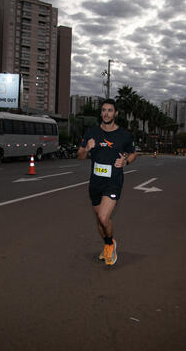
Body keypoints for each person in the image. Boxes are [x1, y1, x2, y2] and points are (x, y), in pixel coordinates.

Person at [77, 99, 137, 266]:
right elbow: (80, 156)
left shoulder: (124, 135)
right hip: (95, 183)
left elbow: (132, 153)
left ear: (115, 113)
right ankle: (106, 244)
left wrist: (126, 161)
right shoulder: (92, 132)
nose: (106, 113)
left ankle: (110, 244)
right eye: (104, 110)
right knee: (99, 221)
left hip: (113, 181)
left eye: (110, 110)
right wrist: (86, 149)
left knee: (104, 218)